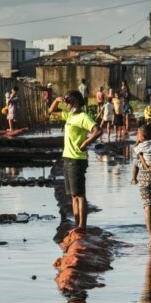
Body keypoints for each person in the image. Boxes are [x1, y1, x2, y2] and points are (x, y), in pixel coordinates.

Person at [48, 91, 102, 232]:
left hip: (77, 159)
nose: (66, 105)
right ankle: (77, 224)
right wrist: (57, 99)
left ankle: (82, 226)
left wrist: (85, 143)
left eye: (68, 102)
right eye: (65, 103)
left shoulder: (83, 117)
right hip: (67, 157)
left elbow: (97, 130)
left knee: (80, 194)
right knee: (73, 194)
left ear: (75, 102)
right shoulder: (70, 115)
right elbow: (51, 111)